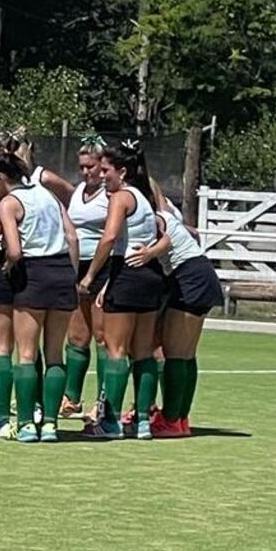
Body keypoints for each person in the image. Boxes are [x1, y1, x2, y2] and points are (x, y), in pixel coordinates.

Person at [79, 142, 171, 440]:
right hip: (149, 276)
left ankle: (111, 421)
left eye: (106, 170)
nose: (103, 175)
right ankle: (143, 420)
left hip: (128, 273)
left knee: (116, 351)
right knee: (143, 352)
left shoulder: (121, 197)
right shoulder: (145, 197)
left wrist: (91, 275)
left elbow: (108, 239)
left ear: (122, 171)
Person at [0, 148, 79, 442]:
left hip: (34, 275)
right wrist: (71, 274)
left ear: (2, 177)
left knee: (26, 353)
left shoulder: (9, 203)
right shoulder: (47, 194)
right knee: (55, 354)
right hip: (62, 272)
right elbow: (72, 236)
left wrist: (7, 263)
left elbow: (14, 250)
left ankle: (26, 424)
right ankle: (51, 424)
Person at [125, 197, 222, 438]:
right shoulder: (163, 215)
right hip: (198, 275)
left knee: (176, 353)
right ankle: (179, 418)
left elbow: (166, 240)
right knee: (185, 354)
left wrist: (149, 253)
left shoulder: (153, 218)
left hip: (189, 278)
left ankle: (170, 419)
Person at [62, 134, 110, 419]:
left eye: (90, 166)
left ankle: (102, 400)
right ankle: (71, 398)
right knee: (77, 335)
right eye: (82, 166)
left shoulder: (111, 193)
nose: (85, 172)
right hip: (77, 267)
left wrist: (93, 275)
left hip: (101, 267)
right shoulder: (79, 190)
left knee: (102, 336)